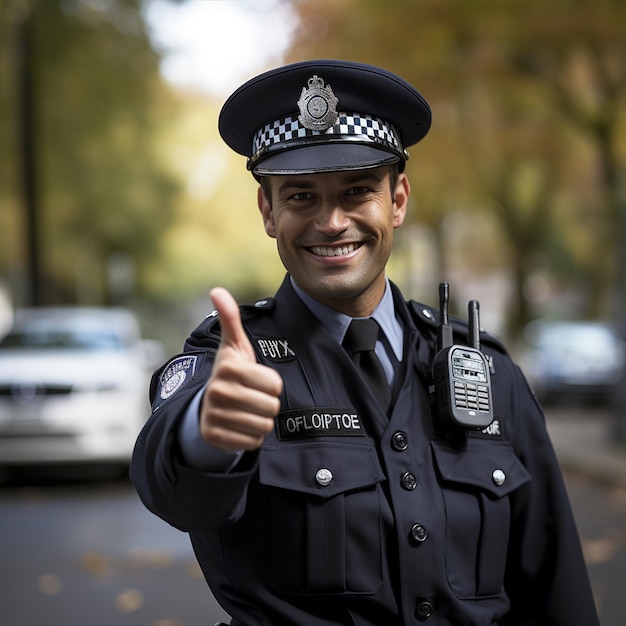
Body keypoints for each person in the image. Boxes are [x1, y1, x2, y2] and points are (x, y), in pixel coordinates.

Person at [131, 60, 599, 626]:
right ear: (268, 212)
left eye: (357, 191)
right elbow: (175, 491)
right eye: (301, 197)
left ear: (397, 200)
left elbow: (555, 589)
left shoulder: (492, 372)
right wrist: (206, 433)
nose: (331, 222)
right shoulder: (230, 365)